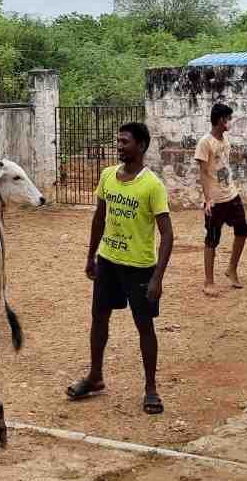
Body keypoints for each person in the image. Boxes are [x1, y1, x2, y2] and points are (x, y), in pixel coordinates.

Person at [64, 121, 175, 415]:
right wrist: (91, 257)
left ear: (141, 146)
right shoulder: (107, 177)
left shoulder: (153, 186)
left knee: (144, 326)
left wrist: (157, 277)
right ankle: (95, 376)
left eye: (125, 142)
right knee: (98, 318)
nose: (119, 146)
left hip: (139, 267)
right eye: (118, 141)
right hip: (108, 262)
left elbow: (168, 235)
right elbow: (99, 218)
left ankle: (151, 388)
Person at [195, 103, 247, 297]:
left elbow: (223, 166)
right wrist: (207, 200)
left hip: (232, 194)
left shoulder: (225, 139)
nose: (230, 122)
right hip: (215, 200)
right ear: (220, 120)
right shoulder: (205, 143)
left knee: (243, 232)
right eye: (228, 118)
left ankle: (231, 269)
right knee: (212, 240)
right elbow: (202, 172)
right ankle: (208, 281)